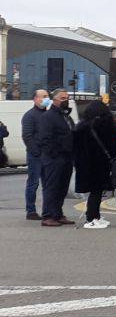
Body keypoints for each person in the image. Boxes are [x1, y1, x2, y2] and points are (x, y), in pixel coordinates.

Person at [72, 100, 116, 229]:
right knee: (97, 191)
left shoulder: (80, 126)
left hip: (84, 164)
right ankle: (92, 218)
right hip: (100, 163)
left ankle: (95, 216)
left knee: (94, 191)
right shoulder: (105, 124)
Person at [37, 89, 76, 227]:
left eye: (67, 98)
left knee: (62, 188)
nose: (66, 100)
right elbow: (45, 139)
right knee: (51, 187)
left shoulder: (66, 116)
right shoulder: (48, 117)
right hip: (54, 158)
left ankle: (57, 214)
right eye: (63, 98)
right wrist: (54, 154)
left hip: (66, 157)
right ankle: (47, 215)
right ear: (55, 100)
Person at [22, 89, 49, 220]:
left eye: (47, 96)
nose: (46, 98)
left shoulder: (48, 115)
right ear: (35, 99)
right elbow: (27, 136)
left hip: (48, 155)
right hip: (36, 156)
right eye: (43, 96)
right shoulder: (30, 115)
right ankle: (31, 210)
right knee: (33, 183)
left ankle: (47, 210)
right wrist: (37, 152)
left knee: (48, 184)